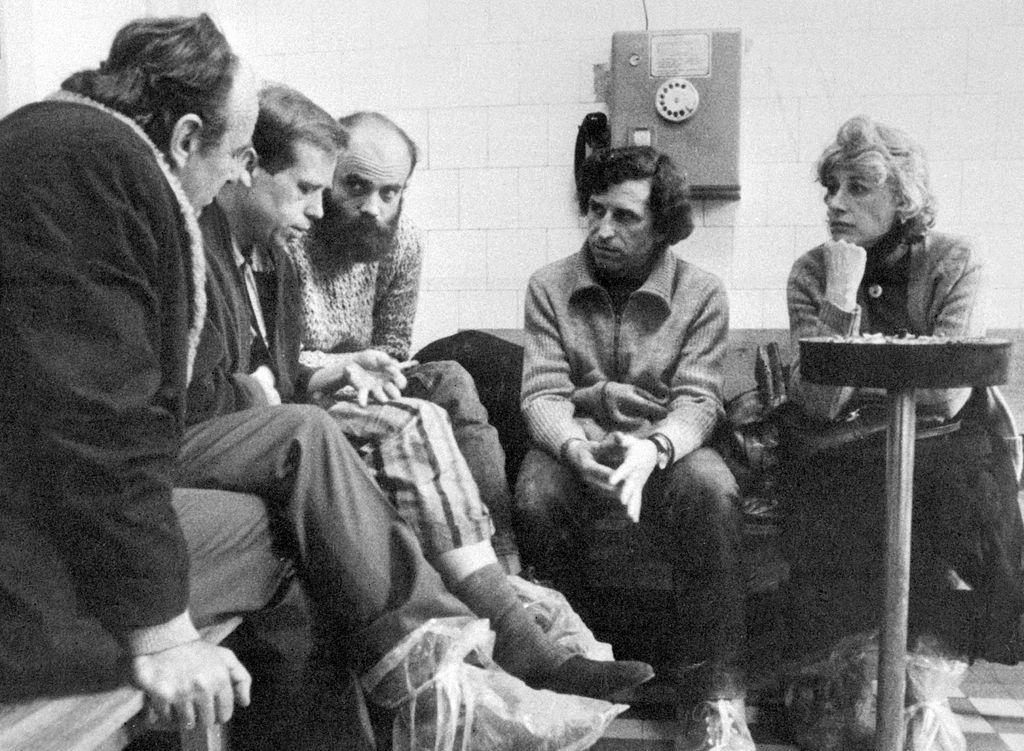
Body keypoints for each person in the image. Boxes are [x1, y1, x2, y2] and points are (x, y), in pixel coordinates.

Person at [189, 82, 654, 704]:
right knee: (410, 422)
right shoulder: (264, 244)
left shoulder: (283, 249)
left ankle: (503, 576)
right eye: (337, 187)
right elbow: (236, 381)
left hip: (302, 393)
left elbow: (331, 356)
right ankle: (508, 632)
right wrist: (305, 376)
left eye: (391, 192)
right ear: (248, 169)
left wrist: (347, 369)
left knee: (452, 380)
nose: (342, 208)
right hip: (270, 416)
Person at [515, 146, 754, 751]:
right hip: (577, 443)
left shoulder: (702, 292)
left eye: (625, 217)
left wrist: (653, 450)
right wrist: (574, 446)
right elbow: (542, 393)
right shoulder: (549, 286)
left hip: (665, 450)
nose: (603, 230)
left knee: (713, 489)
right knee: (536, 493)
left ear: (663, 228)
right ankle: (567, 670)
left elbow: (699, 400)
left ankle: (712, 692)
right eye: (596, 210)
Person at [782, 115, 1024, 664]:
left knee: (967, 501)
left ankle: (928, 659)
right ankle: (857, 671)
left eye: (857, 188)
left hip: (945, 443)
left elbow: (946, 396)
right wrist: (841, 296)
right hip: (843, 449)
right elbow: (821, 403)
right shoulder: (813, 272)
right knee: (831, 531)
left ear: (902, 197)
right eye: (831, 188)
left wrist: (859, 376)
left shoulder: (954, 261)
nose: (835, 203)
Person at [286, 111, 521, 572]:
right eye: (356, 186)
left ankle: (505, 560)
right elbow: (278, 361)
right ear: (327, 175)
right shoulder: (291, 234)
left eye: (389, 193)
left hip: (367, 383)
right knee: (418, 415)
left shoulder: (403, 241)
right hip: (307, 389)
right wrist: (345, 369)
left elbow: (393, 345)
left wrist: (378, 373)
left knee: (453, 379)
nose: (373, 207)